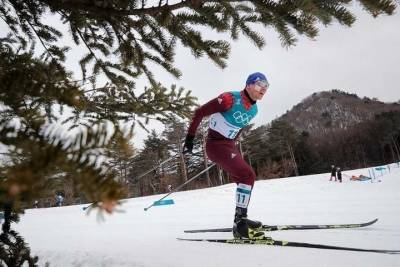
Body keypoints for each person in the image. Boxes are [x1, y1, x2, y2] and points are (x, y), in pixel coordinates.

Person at [183, 72, 269, 239]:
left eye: (267, 86)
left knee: (245, 180)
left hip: (228, 146)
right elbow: (199, 112)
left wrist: (232, 149)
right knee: (247, 174)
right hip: (215, 145)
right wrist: (190, 139)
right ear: (249, 85)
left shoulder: (254, 110)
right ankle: (239, 223)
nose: (264, 88)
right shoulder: (229, 99)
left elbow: (238, 128)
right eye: (260, 84)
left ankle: (242, 218)